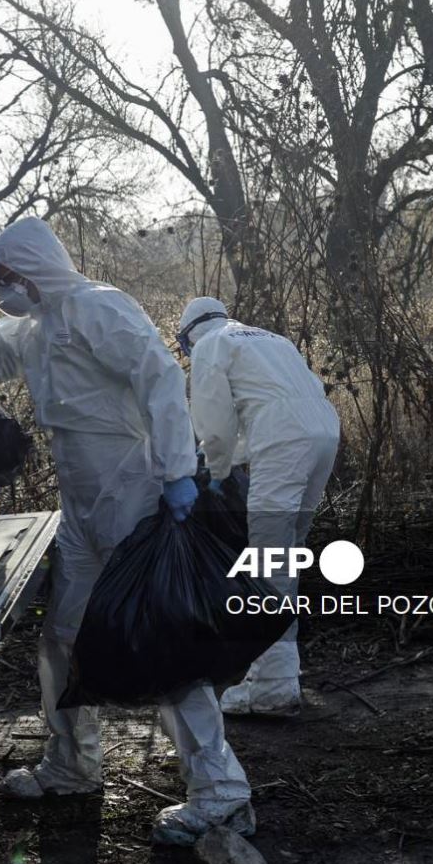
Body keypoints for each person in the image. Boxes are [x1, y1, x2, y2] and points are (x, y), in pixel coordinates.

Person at [0, 219, 255, 845]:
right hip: (81, 504)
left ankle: (220, 791)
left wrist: (177, 471)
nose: (4, 290)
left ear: (35, 268)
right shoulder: (32, 326)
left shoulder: (98, 308)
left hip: (131, 491)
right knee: (63, 635)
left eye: (8, 277)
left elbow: (159, 375)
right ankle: (73, 764)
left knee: (162, 641)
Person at [177, 297, 340, 716]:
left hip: (285, 439)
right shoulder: (271, 339)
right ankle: (279, 669)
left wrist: (215, 468)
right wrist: (230, 457)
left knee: (269, 559)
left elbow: (214, 423)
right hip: (324, 431)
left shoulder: (211, 345)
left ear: (189, 335)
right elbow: (274, 405)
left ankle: (272, 688)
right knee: (286, 556)